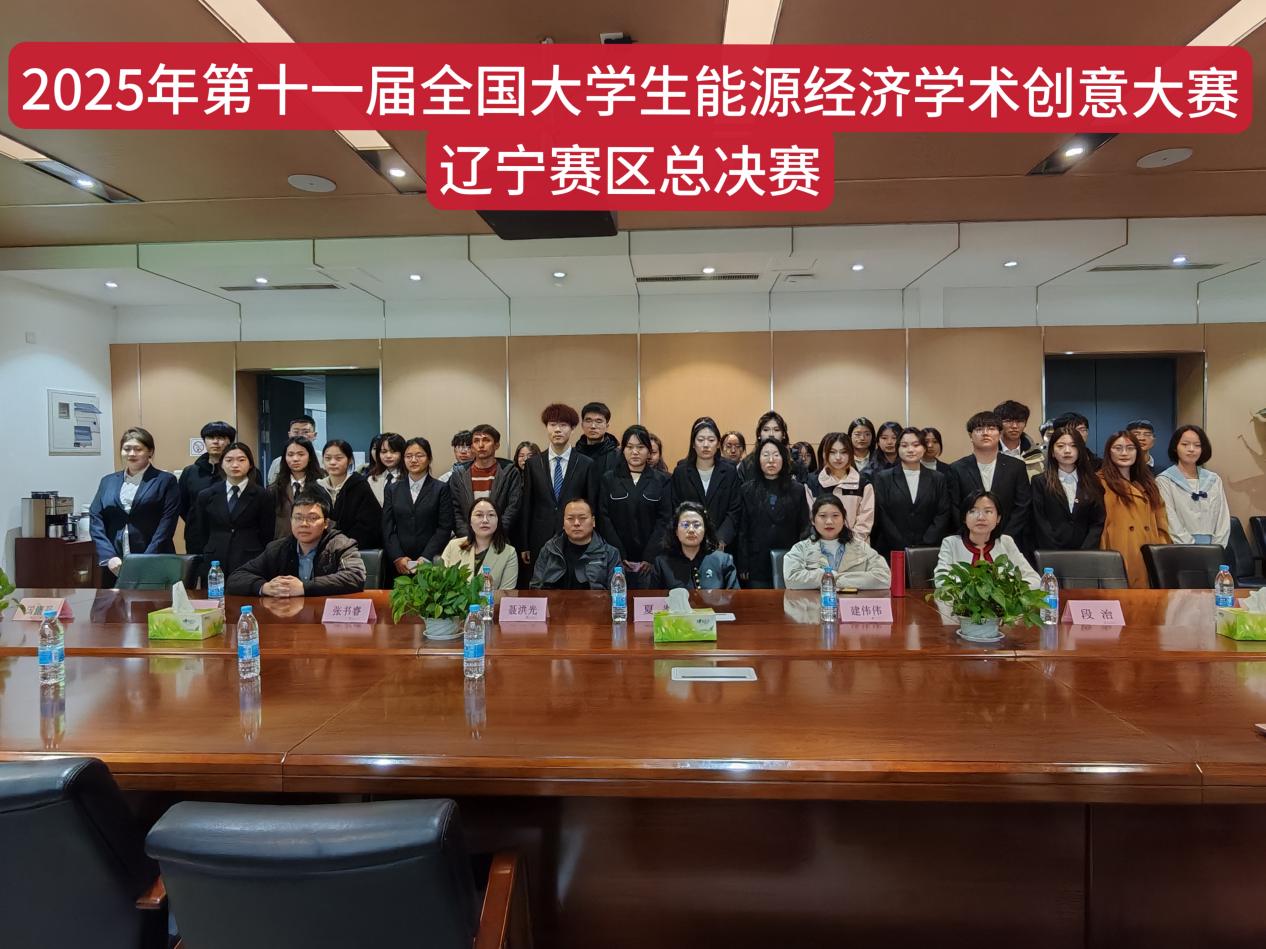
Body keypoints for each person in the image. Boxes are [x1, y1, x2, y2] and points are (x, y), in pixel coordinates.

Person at [89, 427, 180, 588]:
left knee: (151, 602)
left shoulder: (165, 480)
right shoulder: (108, 481)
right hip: (115, 562)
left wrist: (144, 560)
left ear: (150, 452)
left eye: (138, 449)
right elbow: (95, 517)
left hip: (153, 558)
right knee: (114, 602)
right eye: (127, 449)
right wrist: (108, 556)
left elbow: (167, 524)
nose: (131, 454)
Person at [227, 490, 366, 596]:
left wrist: (304, 587)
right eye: (298, 518)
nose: (304, 524)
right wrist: (264, 587)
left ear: (326, 523)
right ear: (291, 521)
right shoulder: (278, 548)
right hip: (289, 618)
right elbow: (236, 578)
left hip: (326, 616)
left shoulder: (340, 544)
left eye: (312, 518)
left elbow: (355, 576)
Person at [520, 403, 598, 564]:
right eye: (552, 424)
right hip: (539, 537)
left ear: (572, 428)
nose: (557, 430)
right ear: (546, 427)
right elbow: (527, 505)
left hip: (576, 537)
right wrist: (525, 543)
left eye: (563, 425)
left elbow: (591, 503)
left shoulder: (586, 463)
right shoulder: (533, 464)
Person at [598, 425, 673, 587]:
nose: (635, 452)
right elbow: (604, 518)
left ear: (649, 451)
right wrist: (619, 553)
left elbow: (665, 519)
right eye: (630, 447)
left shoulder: (662, 480)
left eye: (640, 447)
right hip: (617, 558)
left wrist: (650, 555)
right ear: (623, 450)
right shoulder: (609, 479)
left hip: (651, 560)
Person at [1098, 431, 1171, 589]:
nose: (1124, 453)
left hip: (1148, 552)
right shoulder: (1099, 482)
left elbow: (1161, 522)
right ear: (1109, 452)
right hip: (1118, 551)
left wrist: (1161, 548)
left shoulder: (1148, 482)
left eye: (1130, 448)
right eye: (1118, 448)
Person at [736, 438, 811, 588]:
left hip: (789, 559)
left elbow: (804, 527)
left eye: (776, 455)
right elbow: (742, 530)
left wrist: (803, 559)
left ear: (784, 459)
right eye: (766, 455)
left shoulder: (797, 489)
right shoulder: (747, 490)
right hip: (756, 562)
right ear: (758, 459)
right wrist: (743, 563)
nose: (771, 460)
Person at [195, 442, 274, 582]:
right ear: (221, 464)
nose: (235, 465)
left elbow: (267, 533)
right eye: (229, 460)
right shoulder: (206, 495)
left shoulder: (263, 495)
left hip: (250, 558)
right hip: (215, 559)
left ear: (250, 464)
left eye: (241, 460)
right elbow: (201, 531)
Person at [949, 410, 1031, 544]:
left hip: (1010, 540)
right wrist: (973, 535)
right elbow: (955, 507)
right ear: (970, 436)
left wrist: (1006, 537)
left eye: (991, 429)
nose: (985, 433)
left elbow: (1023, 505)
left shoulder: (1017, 466)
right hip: (970, 540)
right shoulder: (956, 468)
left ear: (1000, 433)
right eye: (979, 429)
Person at [870, 427, 953, 558]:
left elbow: (942, 513)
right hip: (891, 549)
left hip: (928, 549)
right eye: (904, 445)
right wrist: (900, 543)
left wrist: (925, 542)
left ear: (924, 448)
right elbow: (882, 514)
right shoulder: (883, 478)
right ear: (897, 448)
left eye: (916, 445)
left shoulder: (938, 478)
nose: (910, 450)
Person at [935, 490, 1041, 590]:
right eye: (973, 511)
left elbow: (1035, 580)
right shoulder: (951, 543)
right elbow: (940, 581)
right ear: (964, 518)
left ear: (998, 518)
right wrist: (976, 589)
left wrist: (1005, 588)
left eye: (988, 511)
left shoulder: (1006, 542)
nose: (981, 517)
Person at [783, 495, 892, 590]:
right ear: (813, 520)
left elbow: (884, 578)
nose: (829, 522)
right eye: (822, 516)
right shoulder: (800, 549)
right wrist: (847, 579)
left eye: (835, 516)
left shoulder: (861, 547)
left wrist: (834, 579)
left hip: (851, 604)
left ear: (843, 519)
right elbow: (791, 579)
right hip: (814, 605)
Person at [382, 437, 454, 578]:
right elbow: (387, 526)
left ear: (429, 458)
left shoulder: (441, 489)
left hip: (430, 561)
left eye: (419, 455)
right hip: (399, 564)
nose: (413, 460)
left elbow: (444, 527)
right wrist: (397, 556)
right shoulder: (392, 489)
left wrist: (426, 557)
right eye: (408, 456)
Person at [670, 418, 743, 549]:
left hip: (722, 545)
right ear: (693, 444)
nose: (705, 445)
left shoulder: (730, 471)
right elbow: (676, 508)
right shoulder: (681, 472)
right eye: (700, 440)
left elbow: (734, 511)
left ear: (718, 444)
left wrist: (720, 540)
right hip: (688, 543)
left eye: (711, 440)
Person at [1030, 427, 1106, 551]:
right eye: (1060, 446)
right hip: (1050, 552)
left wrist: (1085, 550)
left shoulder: (1093, 482)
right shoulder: (1040, 482)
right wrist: (1055, 551)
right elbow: (1040, 521)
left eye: (1073, 446)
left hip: (1085, 552)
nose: (1067, 451)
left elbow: (1097, 521)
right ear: (1052, 452)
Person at [1156, 424, 1230, 548]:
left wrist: (1217, 547)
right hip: (1179, 548)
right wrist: (1192, 548)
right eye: (1185, 444)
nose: (1191, 449)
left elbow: (1223, 518)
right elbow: (1170, 520)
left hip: (1214, 549)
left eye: (1197, 445)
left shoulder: (1214, 480)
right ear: (1175, 447)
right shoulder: (1164, 480)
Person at [450, 423, 523, 541]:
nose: (481, 445)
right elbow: (455, 511)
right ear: (472, 446)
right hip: (468, 540)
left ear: (496, 445)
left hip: (500, 539)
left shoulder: (509, 472)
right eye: (476, 441)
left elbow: (513, 507)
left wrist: (496, 534)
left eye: (486, 440)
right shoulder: (459, 474)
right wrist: (468, 537)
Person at [529, 498, 622, 590]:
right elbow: (535, 588)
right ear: (563, 523)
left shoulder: (610, 553)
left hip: (595, 600)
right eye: (570, 518)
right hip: (554, 600)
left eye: (582, 518)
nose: (576, 523)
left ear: (593, 521)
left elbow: (617, 591)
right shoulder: (549, 549)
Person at [177, 420, 235, 555]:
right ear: (204, 441)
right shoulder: (190, 472)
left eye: (221, 437)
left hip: (231, 536)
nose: (215, 442)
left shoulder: (238, 471)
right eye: (210, 437)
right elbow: (182, 505)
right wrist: (197, 518)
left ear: (230, 441)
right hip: (197, 537)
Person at [651, 501, 739, 590]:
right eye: (685, 525)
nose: (691, 530)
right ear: (676, 531)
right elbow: (653, 598)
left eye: (696, 525)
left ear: (705, 530)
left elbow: (735, 596)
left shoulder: (722, 561)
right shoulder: (662, 564)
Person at [439, 498, 519, 590]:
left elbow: (506, 594)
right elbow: (440, 585)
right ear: (470, 521)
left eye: (491, 515)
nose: (485, 520)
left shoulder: (509, 553)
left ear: (498, 521)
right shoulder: (453, 546)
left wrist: (490, 589)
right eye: (479, 515)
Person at [810, 432, 874, 545]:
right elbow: (811, 518)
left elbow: (865, 522)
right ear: (824, 454)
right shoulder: (812, 483)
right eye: (832, 452)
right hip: (821, 546)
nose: (838, 457)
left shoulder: (863, 484)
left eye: (844, 452)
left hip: (856, 547)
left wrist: (851, 544)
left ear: (851, 453)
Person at [319, 439, 382, 551]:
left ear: (350, 460)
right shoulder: (316, 488)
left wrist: (342, 544)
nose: (332, 462)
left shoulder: (360, 485)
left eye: (339, 458)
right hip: (321, 548)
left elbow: (369, 524)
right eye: (328, 458)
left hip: (354, 549)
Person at [268, 437, 330, 541]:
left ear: (310, 457)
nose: (295, 459)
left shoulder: (321, 484)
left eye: (301, 454)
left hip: (315, 542)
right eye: (290, 455)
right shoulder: (275, 489)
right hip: (282, 544)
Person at [737, 411, 808, 484]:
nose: (771, 434)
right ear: (759, 434)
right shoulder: (747, 463)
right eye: (766, 430)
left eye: (776, 430)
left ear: (783, 435)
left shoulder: (796, 462)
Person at [994, 400, 1045, 479]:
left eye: (1020, 421)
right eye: (1008, 421)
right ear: (998, 424)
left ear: (1025, 424)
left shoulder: (1037, 455)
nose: (1014, 426)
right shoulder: (988, 453)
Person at [575, 401, 620, 481]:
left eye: (598, 421)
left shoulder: (618, 456)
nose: (593, 426)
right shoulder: (574, 454)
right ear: (582, 425)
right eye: (588, 421)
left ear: (607, 426)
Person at [265, 415, 318, 483]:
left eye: (305, 432)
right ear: (289, 435)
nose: (300, 436)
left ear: (314, 435)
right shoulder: (278, 463)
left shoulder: (324, 460)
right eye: (296, 432)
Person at [366, 432, 405, 506]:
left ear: (402, 453)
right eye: (384, 452)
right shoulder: (371, 479)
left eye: (393, 451)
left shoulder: (409, 478)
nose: (388, 456)